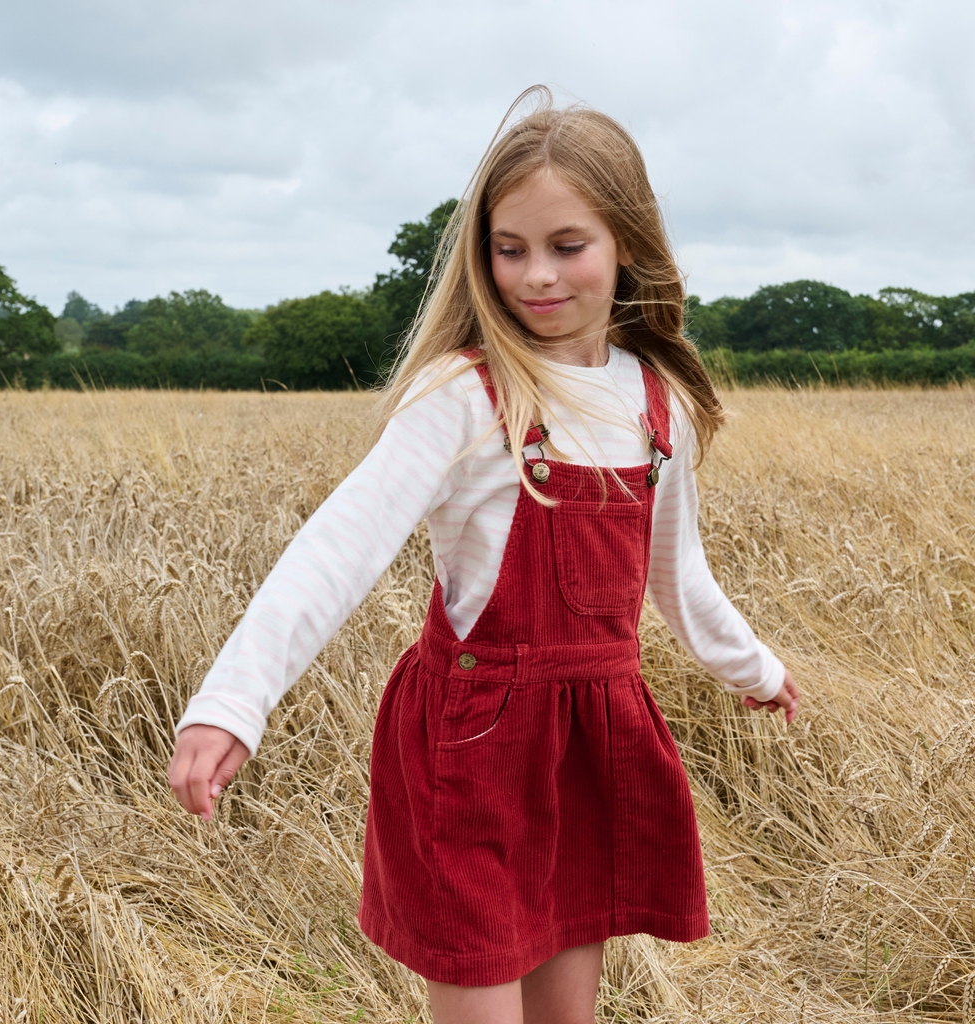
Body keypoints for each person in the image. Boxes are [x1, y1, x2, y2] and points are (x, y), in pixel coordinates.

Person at [168, 85, 799, 1024]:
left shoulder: (653, 400)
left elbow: (678, 572)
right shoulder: (466, 394)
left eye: (566, 246)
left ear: (627, 243)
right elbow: (339, 546)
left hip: (591, 742)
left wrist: (751, 665)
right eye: (510, 250)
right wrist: (232, 702)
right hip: (472, 743)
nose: (536, 276)